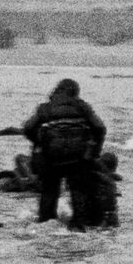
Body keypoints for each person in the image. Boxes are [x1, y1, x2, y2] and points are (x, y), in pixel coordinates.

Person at [22, 78, 107, 229]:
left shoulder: (45, 108)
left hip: (51, 158)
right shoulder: (82, 107)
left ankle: (45, 225)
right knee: (78, 192)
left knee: (48, 193)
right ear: (75, 92)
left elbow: (28, 128)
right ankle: (78, 228)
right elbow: (100, 128)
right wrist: (94, 151)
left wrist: (39, 142)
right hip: (78, 158)